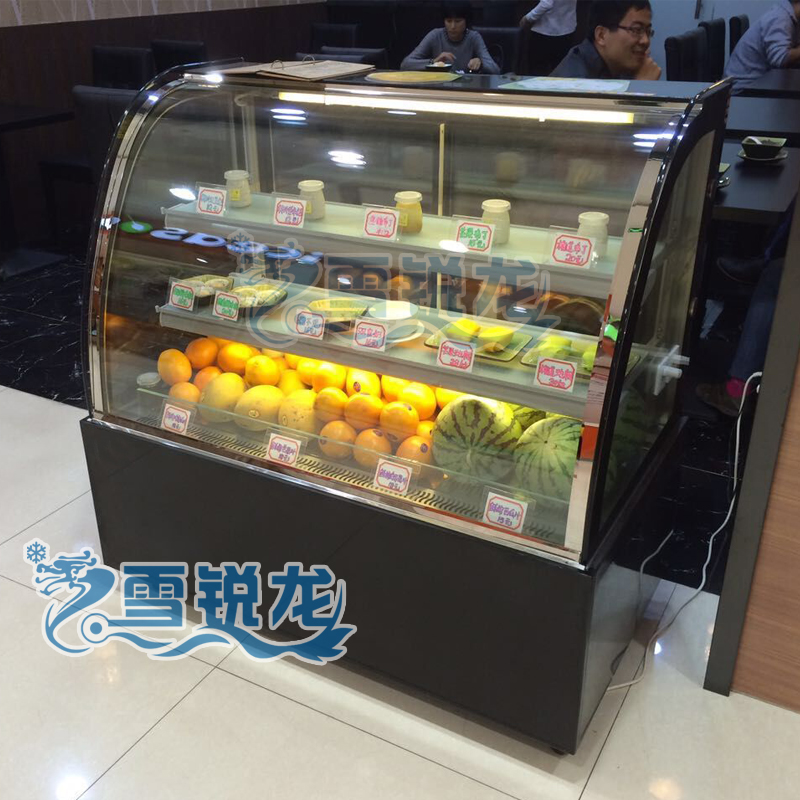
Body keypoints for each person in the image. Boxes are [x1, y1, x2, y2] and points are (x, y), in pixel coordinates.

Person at [550, 0, 661, 80]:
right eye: (636, 30)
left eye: (648, 31)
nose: (645, 41)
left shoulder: (620, 64)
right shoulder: (575, 82)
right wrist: (640, 89)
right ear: (601, 35)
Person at [401, 2, 501, 74]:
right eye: (449, 21)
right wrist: (434, 62)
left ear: (466, 21)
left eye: (458, 21)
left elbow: (496, 70)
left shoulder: (473, 37)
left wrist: (481, 63)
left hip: (465, 89)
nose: (453, 26)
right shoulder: (435, 35)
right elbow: (405, 64)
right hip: (439, 87)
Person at [725, 0, 800, 90]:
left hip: (759, 84)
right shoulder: (779, 18)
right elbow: (780, 58)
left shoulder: (790, 18)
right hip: (742, 91)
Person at [519, 0, 578, 76]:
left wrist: (527, 18)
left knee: (537, 74)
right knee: (561, 74)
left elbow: (546, 4)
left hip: (544, 31)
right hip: (567, 28)